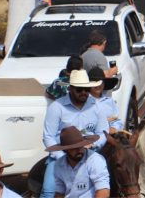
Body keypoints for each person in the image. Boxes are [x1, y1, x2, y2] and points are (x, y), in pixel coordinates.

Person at [42, 70, 110, 198]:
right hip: (61, 153)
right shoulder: (56, 107)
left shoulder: (97, 106)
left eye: (86, 89)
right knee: (49, 191)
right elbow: (48, 136)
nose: (84, 92)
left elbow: (103, 132)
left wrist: (93, 145)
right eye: (79, 90)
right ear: (70, 88)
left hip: (90, 153)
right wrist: (62, 155)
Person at [46, 126, 110, 198]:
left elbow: (103, 191)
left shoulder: (95, 160)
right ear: (66, 150)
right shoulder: (59, 164)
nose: (79, 150)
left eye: (81, 146)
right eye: (74, 148)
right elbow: (60, 192)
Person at [87, 67, 122, 134]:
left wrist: (114, 128)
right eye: (95, 83)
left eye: (101, 82)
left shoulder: (109, 101)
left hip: (111, 136)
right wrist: (104, 122)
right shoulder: (84, 102)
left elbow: (118, 121)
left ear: (104, 84)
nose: (98, 85)